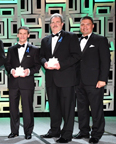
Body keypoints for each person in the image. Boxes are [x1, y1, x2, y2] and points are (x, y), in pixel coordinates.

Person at [40, 13, 81, 143]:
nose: (55, 24)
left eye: (57, 22)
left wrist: (60, 65)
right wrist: (44, 62)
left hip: (66, 79)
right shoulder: (45, 40)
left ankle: (67, 134)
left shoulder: (71, 37)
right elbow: (41, 56)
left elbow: (76, 56)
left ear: (62, 24)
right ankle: (54, 130)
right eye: (53, 22)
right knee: (53, 106)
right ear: (50, 24)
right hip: (51, 79)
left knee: (67, 108)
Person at [73, 16, 110, 144]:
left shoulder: (100, 40)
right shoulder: (76, 41)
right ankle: (83, 131)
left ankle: (97, 133)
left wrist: (103, 79)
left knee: (96, 109)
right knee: (82, 109)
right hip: (79, 81)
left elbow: (106, 61)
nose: (84, 27)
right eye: (82, 24)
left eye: (87, 24)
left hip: (95, 81)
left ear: (92, 26)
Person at [5, 26, 40, 140]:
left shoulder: (34, 49)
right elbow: (7, 64)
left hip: (27, 83)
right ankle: (14, 131)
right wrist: (11, 71)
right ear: (17, 35)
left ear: (28, 35)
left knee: (27, 108)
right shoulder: (11, 49)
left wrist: (28, 71)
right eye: (20, 33)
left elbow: (37, 66)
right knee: (13, 108)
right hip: (14, 83)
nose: (22, 35)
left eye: (25, 33)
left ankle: (28, 131)